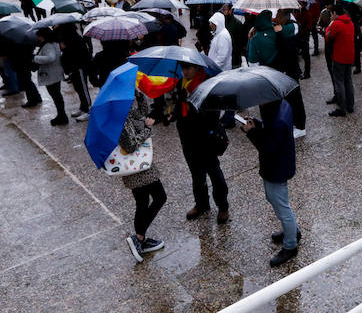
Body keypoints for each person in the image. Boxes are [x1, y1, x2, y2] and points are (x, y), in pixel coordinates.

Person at [243, 99, 301, 267]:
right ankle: (292, 231)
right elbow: (272, 132)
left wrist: (251, 132)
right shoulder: (283, 105)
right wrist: (259, 124)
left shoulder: (277, 120)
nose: (258, 101)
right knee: (278, 201)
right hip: (280, 165)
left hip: (276, 168)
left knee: (281, 206)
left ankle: (290, 245)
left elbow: (269, 147)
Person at [172, 63, 229, 224]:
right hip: (187, 137)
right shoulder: (181, 84)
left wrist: (194, 106)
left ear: (198, 68)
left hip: (205, 139)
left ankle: (223, 206)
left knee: (214, 173)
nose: (185, 72)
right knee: (196, 174)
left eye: (188, 68)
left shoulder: (207, 86)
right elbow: (178, 107)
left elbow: (212, 116)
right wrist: (174, 113)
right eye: (183, 69)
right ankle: (201, 204)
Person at [121, 92, 167, 263]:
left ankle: (141, 239)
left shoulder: (124, 111)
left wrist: (140, 96)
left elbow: (141, 113)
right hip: (138, 168)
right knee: (160, 197)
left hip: (138, 165)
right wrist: (147, 129)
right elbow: (130, 144)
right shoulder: (120, 118)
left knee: (142, 202)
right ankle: (138, 237)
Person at [271, 10, 308, 138]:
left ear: (283, 18)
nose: (275, 19)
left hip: (292, 69)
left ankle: (301, 126)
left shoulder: (291, 29)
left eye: (277, 17)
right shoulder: (286, 27)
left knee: (296, 98)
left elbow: (286, 47)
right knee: (289, 99)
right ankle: (294, 123)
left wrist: (280, 32)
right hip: (287, 68)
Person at [325, 3, 355, 117]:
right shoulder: (350, 22)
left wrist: (331, 23)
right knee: (348, 81)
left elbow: (328, 36)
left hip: (339, 56)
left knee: (339, 82)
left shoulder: (336, 24)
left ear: (335, 13)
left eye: (332, 13)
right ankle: (350, 105)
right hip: (349, 56)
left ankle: (341, 108)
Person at [57, 24, 92, 121]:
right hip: (73, 67)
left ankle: (89, 110)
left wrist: (65, 47)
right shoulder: (67, 37)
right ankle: (83, 107)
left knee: (83, 88)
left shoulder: (75, 38)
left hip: (79, 67)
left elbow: (77, 53)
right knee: (78, 88)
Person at [34, 28, 67, 126]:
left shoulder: (48, 45)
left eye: (39, 36)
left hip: (51, 74)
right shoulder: (54, 43)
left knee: (56, 96)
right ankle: (61, 115)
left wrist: (35, 58)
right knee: (57, 96)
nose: (38, 38)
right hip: (55, 72)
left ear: (43, 36)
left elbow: (50, 57)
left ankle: (62, 116)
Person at [221, 3, 245, 68]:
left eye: (224, 10)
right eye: (222, 10)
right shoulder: (222, 22)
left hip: (234, 57)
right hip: (225, 56)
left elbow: (240, 42)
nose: (222, 12)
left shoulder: (237, 23)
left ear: (230, 10)